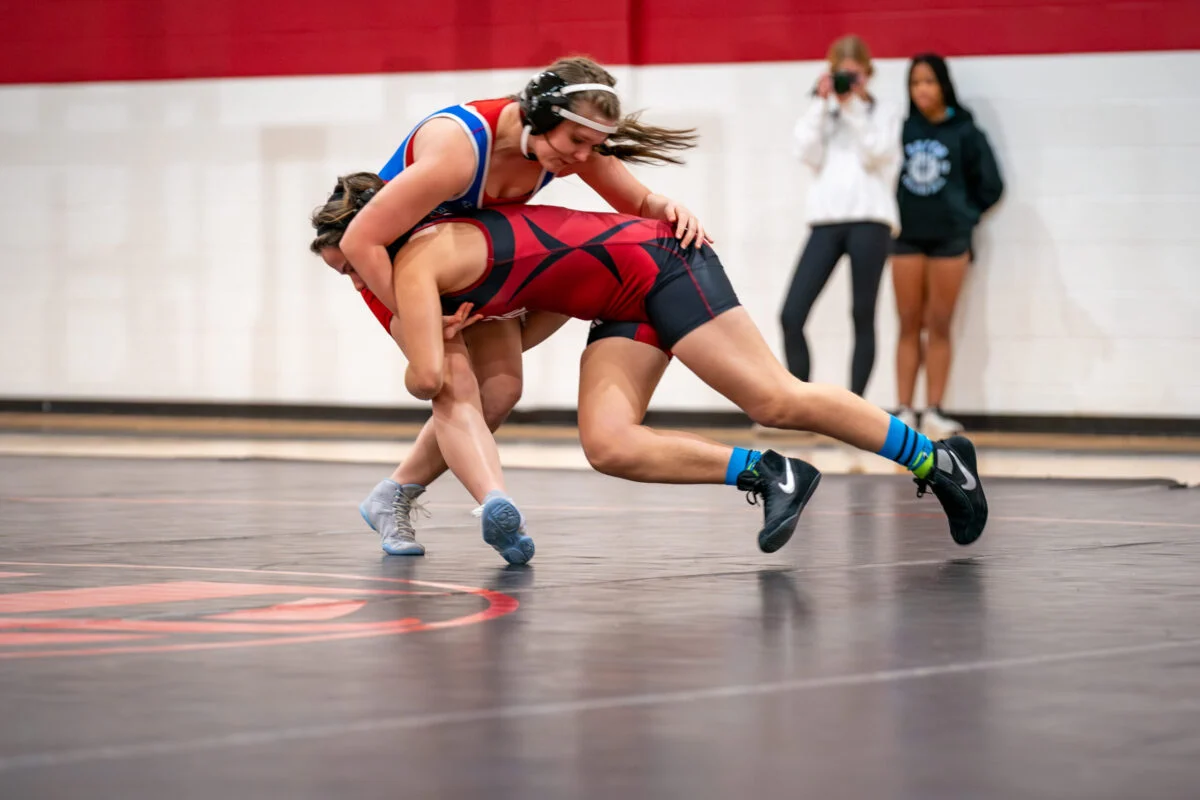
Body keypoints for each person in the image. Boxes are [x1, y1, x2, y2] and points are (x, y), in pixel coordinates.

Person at [311, 177, 990, 565]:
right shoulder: (443, 262)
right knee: (608, 444)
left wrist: (426, 345)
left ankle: (940, 461)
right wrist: (466, 332)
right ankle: (770, 474)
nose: (362, 285)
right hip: (620, 300)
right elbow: (543, 309)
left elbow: (430, 382)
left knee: (774, 398)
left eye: (354, 268)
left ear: (378, 237)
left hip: (661, 266)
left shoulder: (422, 260)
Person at [339, 56, 712, 556]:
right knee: (448, 381)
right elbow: (359, 241)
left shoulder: (564, 142)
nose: (583, 156)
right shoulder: (459, 149)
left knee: (501, 391)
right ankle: (496, 504)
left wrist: (669, 208)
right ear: (539, 116)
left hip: (465, 269)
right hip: (393, 266)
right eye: (576, 142)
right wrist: (414, 316)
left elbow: (638, 202)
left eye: (592, 145)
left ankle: (393, 496)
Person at [781, 34, 902, 399]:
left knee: (862, 314)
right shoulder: (824, 112)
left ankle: (855, 409)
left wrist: (853, 108)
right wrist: (822, 103)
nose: (848, 82)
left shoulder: (884, 110)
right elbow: (805, 152)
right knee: (791, 313)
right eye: (841, 74)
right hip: (826, 220)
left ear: (868, 73)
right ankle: (800, 403)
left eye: (854, 74)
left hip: (871, 219)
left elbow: (877, 153)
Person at [892, 53, 1003, 435]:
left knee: (940, 324)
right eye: (914, 83)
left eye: (928, 81)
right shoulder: (902, 129)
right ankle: (904, 409)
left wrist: (964, 215)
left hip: (950, 240)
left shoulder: (965, 131)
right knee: (908, 323)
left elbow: (992, 185)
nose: (921, 89)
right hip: (907, 237)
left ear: (943, 85)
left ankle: (934, 409)